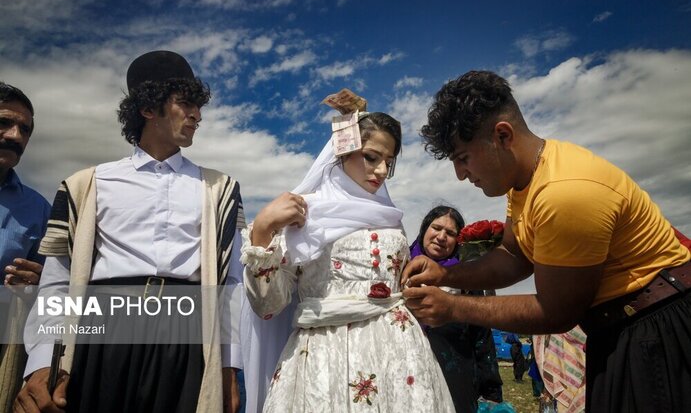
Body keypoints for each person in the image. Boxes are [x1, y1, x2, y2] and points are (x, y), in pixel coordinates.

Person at [401, 70, 691, 412]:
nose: (460, 174)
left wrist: (453, 307)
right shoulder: (525, 183)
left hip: (656, 330)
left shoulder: (563, 192)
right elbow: (512, 256)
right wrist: (445, 275)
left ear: (503, 135)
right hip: (620, 327)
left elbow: (556, 312)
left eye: (463, 158)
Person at [15, 50, 246, 413]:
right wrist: (43, 360)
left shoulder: (220, 190)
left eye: (198, 106)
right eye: (185, 103)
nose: (197, 115)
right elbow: (57, 281)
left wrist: (230, 367)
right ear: (147, 109)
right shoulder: (85, 185)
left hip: (186, 337)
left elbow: (231, 285)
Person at [242, 111, 454, 411]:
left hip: (399, 355)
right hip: (326, 357)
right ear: (341, 153)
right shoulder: (305, 215)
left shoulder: (391, 219)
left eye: (389, 162)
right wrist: (263, 229)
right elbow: (269, 305)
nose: (381, 170)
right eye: (371, 157)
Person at [410, 205, 502, 412]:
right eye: (436, 228)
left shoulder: (467, 280)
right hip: (407, 373)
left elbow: (482, 337)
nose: (441, 237)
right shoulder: (401, 270)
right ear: (424, 229)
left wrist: (491, 391)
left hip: (456, 376)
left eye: (450, 233)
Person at [0, 82, 51, 412]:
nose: (16, 136)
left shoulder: (40, 209)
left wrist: (38, 281)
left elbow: (52, 291)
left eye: (25, 129)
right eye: (4, 123)